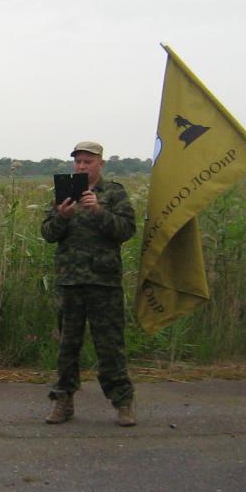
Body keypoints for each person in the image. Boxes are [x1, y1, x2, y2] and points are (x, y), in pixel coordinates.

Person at [40, 141, 138, 426]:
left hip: (103, 282)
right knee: (67, 346)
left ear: (101, 164)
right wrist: (62, 217)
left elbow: (126, 230)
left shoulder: (114, 193)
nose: (82, 166)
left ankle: (123, 402)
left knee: (110, 345)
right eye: (78, 161)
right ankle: (63, 401)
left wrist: (99, 212)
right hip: (70, 281)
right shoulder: (63, 193)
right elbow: (48, 233)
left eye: (88, 161)